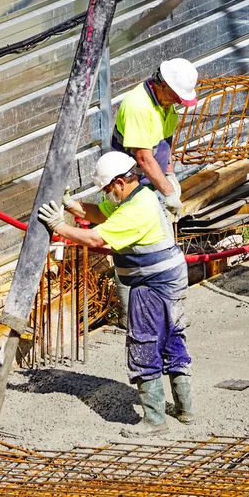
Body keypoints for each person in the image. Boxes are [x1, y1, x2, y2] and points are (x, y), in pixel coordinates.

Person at [38, 151, 194, 437]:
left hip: (153, 284)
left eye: (108, 189)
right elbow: (100, 214)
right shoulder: (141, 195)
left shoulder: (135, 211)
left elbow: (97, 237)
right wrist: (71, 205)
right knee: (172, 339)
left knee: (144, 342)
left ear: (120, 182)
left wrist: (59, 227)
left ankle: (154, 421)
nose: (107, 195)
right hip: (168, 279)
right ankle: (185, 409)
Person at [111, 57, 198, 328]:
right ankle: (130, 319)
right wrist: (168, 191)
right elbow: (143, 157)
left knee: (160, 248)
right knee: (130, 248)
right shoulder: (139, 106)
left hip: (152, 180)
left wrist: (170, 173)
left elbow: (164, 146)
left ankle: (162, 311)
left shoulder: (166, 104)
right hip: (129, 182)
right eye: (176, 96)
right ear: (163, 85)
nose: (179, 102)